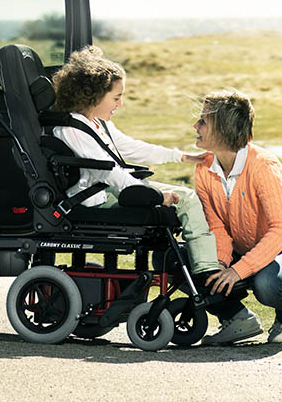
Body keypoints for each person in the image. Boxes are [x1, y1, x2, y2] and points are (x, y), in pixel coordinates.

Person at [52, 46, 218, 276]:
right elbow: (108, 173)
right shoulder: (73, 130)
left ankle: (203, 265)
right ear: (93, 96)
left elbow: (131, 147)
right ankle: (206, 272)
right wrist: (155, 196)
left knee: (188, 197)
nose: (120, 104)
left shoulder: (97, 123)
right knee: (188, 199)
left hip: (107, 190)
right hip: (95, 199)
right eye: (116, 98)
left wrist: (180, 156)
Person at [193, 90, 282, 344]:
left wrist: (238, 271)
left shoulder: (264, 165)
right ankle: (237, 319)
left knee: (269, 283)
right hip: (245, 253)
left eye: (203, 121)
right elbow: (217, 226)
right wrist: (219, 263)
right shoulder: (203, 168)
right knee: (188, 261)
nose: (195, 125)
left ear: (223, 129)